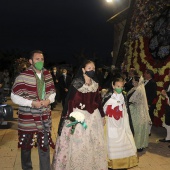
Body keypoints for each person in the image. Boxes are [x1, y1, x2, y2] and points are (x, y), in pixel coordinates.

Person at [52, 60, 107, 170]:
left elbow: (98, 100)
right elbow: (70, 101)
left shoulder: (95, 83)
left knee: (93, 143)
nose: (92, 71)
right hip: (79, 116)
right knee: (78, 143)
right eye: (89, 68)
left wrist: (102, 115)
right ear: (83, 69)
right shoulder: (77, 83)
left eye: (93, 69)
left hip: (93, 117)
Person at [11, 50, 56, 170]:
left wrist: (48, 101)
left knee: (44, 146)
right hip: (28, 118)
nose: (40, 61)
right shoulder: (23, 76)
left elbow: (53, 93)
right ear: (31, 61)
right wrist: (31, 103)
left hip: (44, 117)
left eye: (42, 59)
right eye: (37, 59)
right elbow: (14, 96)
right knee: (26, 148)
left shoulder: (47, 75)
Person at [103, 76, 138, 170]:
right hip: (110, 125)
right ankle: (110, 163)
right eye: (117, 86)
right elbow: (102, 109)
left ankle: (123, 163)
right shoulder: (107, 96)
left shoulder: (123, 96)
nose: (120, 88)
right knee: (110, 144)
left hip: (121, 125)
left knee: (124, 142)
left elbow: (126, 111)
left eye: (121, 87)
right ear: (113, 86)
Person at [127, 76, 151, 152]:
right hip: (134, 109)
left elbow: (132, 99)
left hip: (138, 110)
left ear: (137, 82)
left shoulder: (139, 90)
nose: (132, 82)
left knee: (137, 127)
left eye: (133, 81)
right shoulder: (134, 88)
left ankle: (139, 145)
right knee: (134, 127)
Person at [144, 69, 157, 135]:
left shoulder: (152, 82)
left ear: (149, 74)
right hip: (145, 102)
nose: (144, 74)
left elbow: (153, 94)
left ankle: (149, 131)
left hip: (149, 103)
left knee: (149, 117)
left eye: (145, 73)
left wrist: (149, 103)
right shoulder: (145, 81)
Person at [159, 70, 170, 147]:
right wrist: (164, 92)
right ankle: (168, 138)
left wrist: (166, 93)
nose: (169, 74)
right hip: (168, 105)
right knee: (168, 122)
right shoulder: (168, 82)